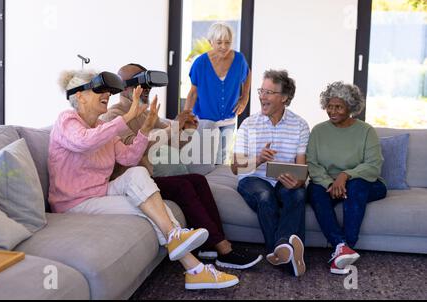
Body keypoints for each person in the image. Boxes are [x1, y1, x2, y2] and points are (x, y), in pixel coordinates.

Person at [49, 69, 239, 290]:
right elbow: (84, 142)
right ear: (79, 96)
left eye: (108, 91)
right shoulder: (67, 120)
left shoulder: (103, 127)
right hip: (73, 202)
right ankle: (195, 268)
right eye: (98, 90)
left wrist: (146, 128)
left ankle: (184, 251)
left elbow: (129, 158)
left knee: (138, 176)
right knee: (152, 210)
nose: (107, 95)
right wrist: (127, 118)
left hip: (100, 192)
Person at [101, 63, 263, 270]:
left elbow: (174, 142)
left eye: (149, 84)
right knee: (183, 186)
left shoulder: (145, 112)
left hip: (148, 176)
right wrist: (173, 127)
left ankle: (211, 245)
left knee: (198, 179)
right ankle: (224, 249)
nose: (148, 89)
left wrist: (188, 129)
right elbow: (133, 151)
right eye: (142, 83)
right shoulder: (115, 115)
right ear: (125, 87)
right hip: (132, 181)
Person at [231, 69, 309, 277]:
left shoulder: (300, 125)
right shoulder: (248, 124)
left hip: (283, 180)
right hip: (253, 179)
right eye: (261, 91)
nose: (261, 97)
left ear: (284, 98)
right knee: (265, 196)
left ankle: (281, 250)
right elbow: (235, 166)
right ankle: (287, 253)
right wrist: (258, 159)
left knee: (299, 194)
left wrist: (298, 182)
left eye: (268, 92)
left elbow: (302, 169)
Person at [306, 81, 387, 275]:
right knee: (315, 193)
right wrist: (330, 183)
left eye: (338, 107)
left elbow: (373, 165)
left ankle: (347, 244)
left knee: (356, 187)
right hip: (328, 183)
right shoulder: (318, 131)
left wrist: (345, 175)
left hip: (365, 183)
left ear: (350, 108)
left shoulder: (366, 131)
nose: (332, 111)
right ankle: (342, 247)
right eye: (329, 106)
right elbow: (313, 164)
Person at [184, 22, 252, 164]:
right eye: (219, 42)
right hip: (205, 119)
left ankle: (216, 186)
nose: (224, 47)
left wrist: (244, 98)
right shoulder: (200, 63)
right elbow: (193, 93)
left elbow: (248, 74)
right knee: (204, 160)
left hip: (228, 119)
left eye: (227, 42)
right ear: (210, 42)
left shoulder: (239, 60)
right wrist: (185, 116)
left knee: (221, 159)